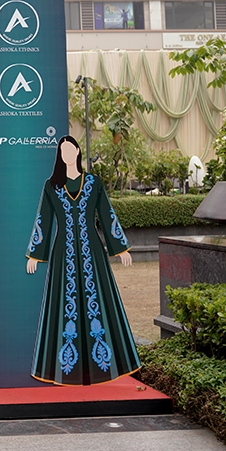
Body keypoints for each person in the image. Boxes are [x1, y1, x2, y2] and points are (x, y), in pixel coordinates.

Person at [25, 135, 141, 386]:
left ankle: (102, 367)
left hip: (92, 255)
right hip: (63, 255)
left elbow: (107, 214)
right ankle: (64, 369)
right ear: (59, 156)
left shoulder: (93, 183)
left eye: (71, 149)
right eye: (63, 151)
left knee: (97, 302)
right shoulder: (52, 186)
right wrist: (35, 253)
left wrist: (120, 248)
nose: (67, 154)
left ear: (78, 151)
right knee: (63, 305)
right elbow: (44, 219)